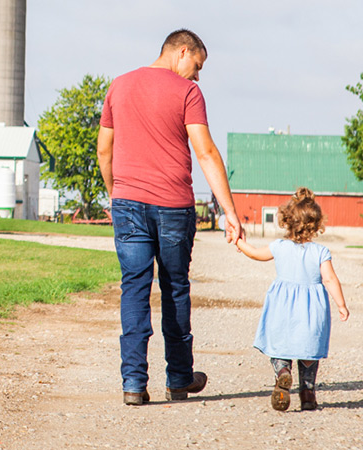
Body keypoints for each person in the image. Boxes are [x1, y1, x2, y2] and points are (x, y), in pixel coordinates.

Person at [97, 28, 243, 406]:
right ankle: (179, 380)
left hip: (127, 203)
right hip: (174, 207)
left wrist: (118, 196)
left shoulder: (119, 86)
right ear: (182, 52)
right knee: (175, 288)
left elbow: (103, 151)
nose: (197, 76)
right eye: (197, 66)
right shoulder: (188, 93)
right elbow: (206, 152)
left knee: (134, 288)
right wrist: (230, 212)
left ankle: (133, 383)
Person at [235, 187, 350, 411]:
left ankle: (283, 372)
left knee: (280, 346)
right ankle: (307, 394)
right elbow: (330, 280)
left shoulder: (279, 247)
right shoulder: (320, 251)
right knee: (308, 351)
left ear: (288, 221)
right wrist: (341, 304)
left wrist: (239, 242)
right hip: (310, 312)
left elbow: (255, 254)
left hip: (282, 309)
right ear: (316, 225)